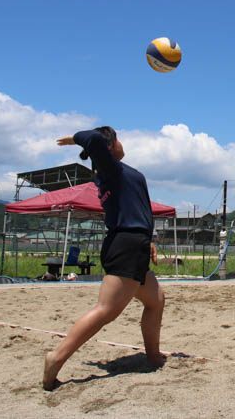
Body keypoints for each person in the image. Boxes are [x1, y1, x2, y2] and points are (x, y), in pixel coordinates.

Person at [44, 127, 165, 390]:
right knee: (106, 310)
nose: (123, 143)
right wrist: (75, 139)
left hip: (134, 242)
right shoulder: (111, 171)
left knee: (156, 300)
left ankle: (153, 356)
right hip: (127, 244)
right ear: (110, 147)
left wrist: (149, 241)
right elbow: (94, 139)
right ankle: (56, 357)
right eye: (119, 139)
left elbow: (136, 209)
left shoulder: (120, 173)